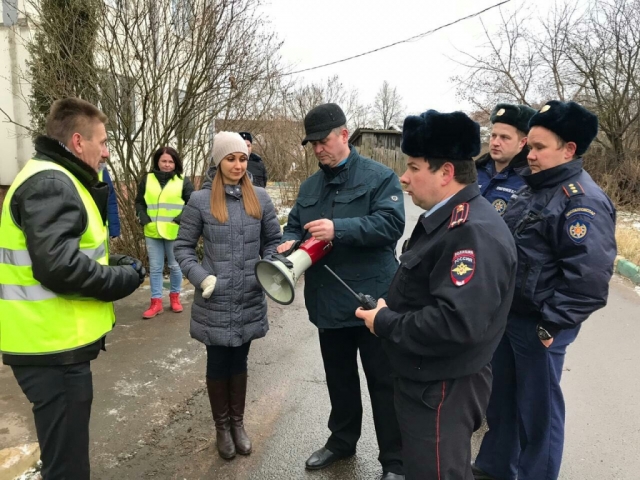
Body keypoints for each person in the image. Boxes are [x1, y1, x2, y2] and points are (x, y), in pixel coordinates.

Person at [355, 110, 518, 480]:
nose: (404, 177)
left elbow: (455, 324)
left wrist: (385, 322)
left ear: (446, 173)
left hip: (442, 390)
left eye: (413, 167)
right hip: (427, 381)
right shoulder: (448, 219)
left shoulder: (471, 232)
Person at [0, 97, 145, 480]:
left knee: (66, 457)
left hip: (50, 345)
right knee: (67, 468)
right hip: (51, 347)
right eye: (103, 141)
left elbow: (63, 253)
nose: (108, 151)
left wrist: (113, 263)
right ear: (79, 142)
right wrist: (123, 279)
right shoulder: (52, 182)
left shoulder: (53, 177)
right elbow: (59, 268)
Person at [473, 101, 617, 480]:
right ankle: (494, 467)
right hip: (511, 316)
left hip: (541, 324)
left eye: (538, 148)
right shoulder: (536, 188)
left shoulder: (581, 200)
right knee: (501, 402)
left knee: (539, 415)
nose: (530, 155)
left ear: (569, 149)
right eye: (530, 147)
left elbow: (589, 279)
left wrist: (551, 325)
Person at [277, 103, 406, 480]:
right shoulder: (309, 186)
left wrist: (340, 228)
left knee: (383, 382)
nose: (318, 148)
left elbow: (390, 224)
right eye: (312, 143)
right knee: (340, 378)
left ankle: (395, 461)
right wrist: (288, 242)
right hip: (327, 300)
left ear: (344, 135)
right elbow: (295, 226)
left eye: (324, 140)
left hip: (371, 301)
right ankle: (342, 441)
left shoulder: (379, 177)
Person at [174, 132, 282, 460]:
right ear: (218, 161)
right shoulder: (200, 201)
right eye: (230, 159)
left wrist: (270, 265)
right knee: (219, 363)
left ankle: (238, 424)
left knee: (240, 362)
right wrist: (201, 277)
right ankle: (221, 428)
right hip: (215, 300)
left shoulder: (260, 198)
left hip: (249, 296)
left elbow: (273, 240)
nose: (237, 165)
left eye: (242, 159)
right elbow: (182, 248)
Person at [135, 147, 194, 318]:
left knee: (175, 267)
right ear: (157, 162)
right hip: (152, 230)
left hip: (174, 231)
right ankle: (156, 303)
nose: (167, 165)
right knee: (155, 268)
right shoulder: (147, 179)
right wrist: (143, 218)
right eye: (164, 161)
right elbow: (139, 202)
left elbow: (192, 204)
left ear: (175, 163)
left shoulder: (183, 181)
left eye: (170, 161)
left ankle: (175, 298)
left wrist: (179, 219)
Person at [476, 103, 536, 215]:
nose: (495, 143)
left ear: (522, 142)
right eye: (493, 136)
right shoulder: (475, 171)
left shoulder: (529, 179)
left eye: (504, 137)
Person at [98, 158, 121, 238]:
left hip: (102, 231)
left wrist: (114, 229)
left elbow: (111, 200)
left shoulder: (102, 170)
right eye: (101, 144)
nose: (106, 153)